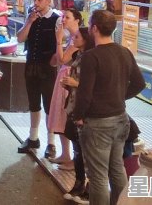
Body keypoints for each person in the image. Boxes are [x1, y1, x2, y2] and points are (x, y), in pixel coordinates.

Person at [72, 10, 145, 205]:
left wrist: (77, 115)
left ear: (94, 28)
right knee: (117, 170)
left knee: (98, 177)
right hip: (121, 120)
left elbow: (85, 93)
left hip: (97, 124)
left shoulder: (91, 57)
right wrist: (119, 96)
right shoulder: (124, 52)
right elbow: (139, 84)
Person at [16, 0, 60, 157]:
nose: (36, 2)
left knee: (49, 105)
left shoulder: (56, 20)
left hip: (47, 69)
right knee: (33, 103)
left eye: (40, 0)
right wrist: (29, 22)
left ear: (49, 1)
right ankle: (33, 138)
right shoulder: (31, 16)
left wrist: (54, 61)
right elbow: (20, 39)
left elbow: (59, 44)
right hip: (31, 66)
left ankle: (51, 142)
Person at [47, 8, 84, 170]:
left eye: (67, 17)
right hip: (64, 78)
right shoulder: (71, 38)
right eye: (63, 16)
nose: (63, 19)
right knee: (61, 117)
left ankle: (72, 159)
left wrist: (58, 40)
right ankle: (65, 154)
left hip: (69, 81)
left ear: (77, 20)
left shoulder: (78, 39)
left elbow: (62, 59)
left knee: (66, 115)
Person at [60, 26, 93, 202]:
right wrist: (69, 84)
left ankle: (88, 189)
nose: (74, 38)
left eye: (77, 36)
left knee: (86, 152)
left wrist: (75, 83)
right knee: (77, 149)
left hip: (84, 110)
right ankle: (79, 184)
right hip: (72, 107)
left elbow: (92, 87)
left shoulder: (90, 58)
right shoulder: (78, 56)